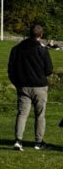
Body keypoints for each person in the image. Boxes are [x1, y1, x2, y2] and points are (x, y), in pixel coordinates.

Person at [8, 23, 53, 151]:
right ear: (41, 35)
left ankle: (18, 141)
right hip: (39, 86)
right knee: (40, 115)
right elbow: (49, 70)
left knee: (22, 114)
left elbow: (11, 70)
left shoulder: (16, 49)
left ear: (29, 33)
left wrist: (16, 83)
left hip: (23, 86)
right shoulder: (42, 50)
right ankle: (38, 142)